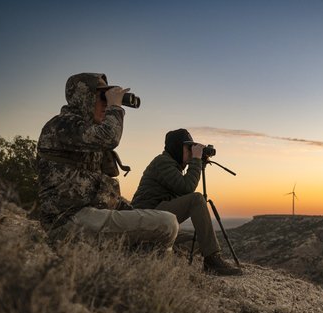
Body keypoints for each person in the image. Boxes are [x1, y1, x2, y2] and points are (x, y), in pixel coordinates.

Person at [37, 72, 178, 249]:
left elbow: (101, 187)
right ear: (84, 97)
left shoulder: (87, 134)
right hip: (67, 220)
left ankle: (142, 265)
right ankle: (154, 272)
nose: (105, 105)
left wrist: (134, 214)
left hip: (90, 215)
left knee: (170, 230)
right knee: (167, 223)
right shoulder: (61, 125)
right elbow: (110, 137)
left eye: (107, 99)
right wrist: (116, 107)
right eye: (102, 97)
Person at [131, 128, 243, 276]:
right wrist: (196, 161)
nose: (191, 152)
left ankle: (154, 247)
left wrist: (198, 162)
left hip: (158, 217)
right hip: (146, 216)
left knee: (198, 242)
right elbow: (187, 188)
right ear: (176, 147)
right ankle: (212, 261)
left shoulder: (174, 167)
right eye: (188, 148)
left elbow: (180, 192)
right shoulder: (162, 162)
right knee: (197, 199)